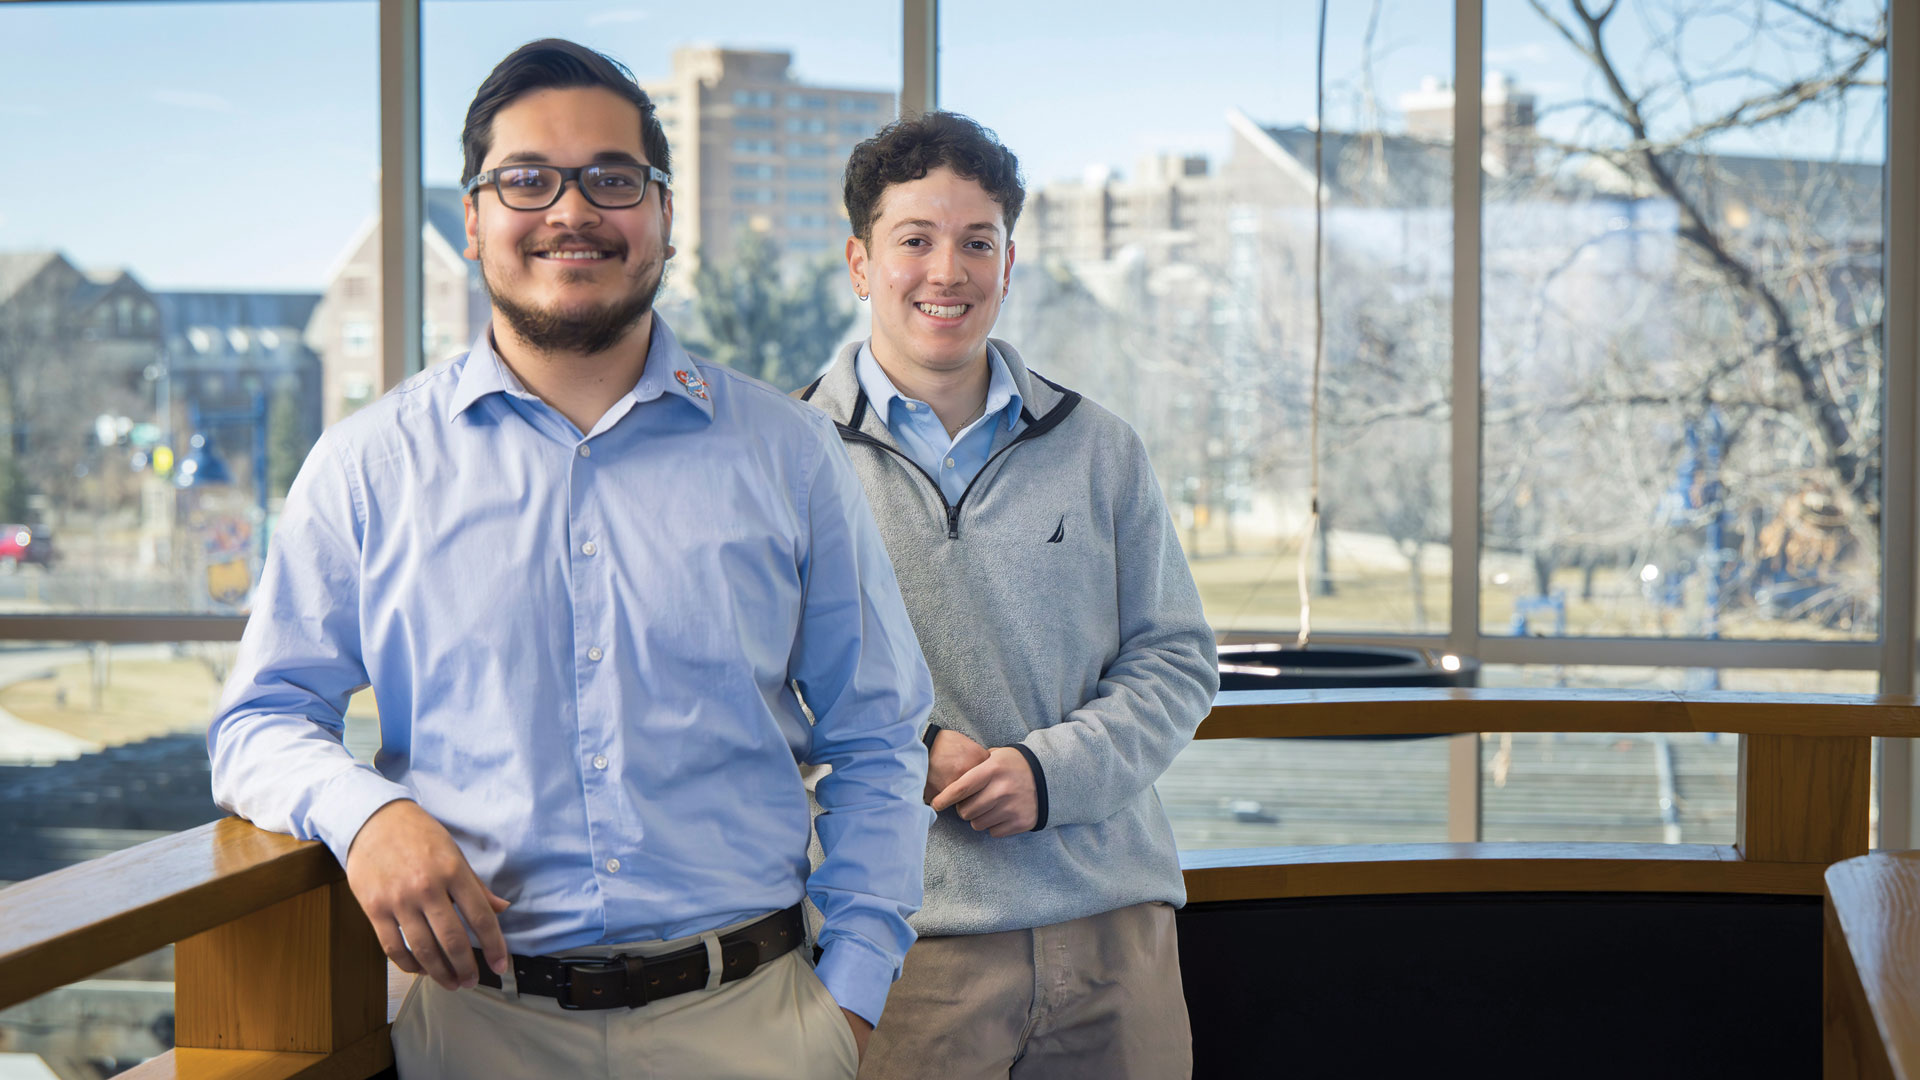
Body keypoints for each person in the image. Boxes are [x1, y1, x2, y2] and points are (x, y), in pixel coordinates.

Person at [207, 38, 932, 1080]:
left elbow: (877, 736)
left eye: (613, 179)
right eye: (527, 180)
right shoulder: (367, 467)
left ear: (665, 217)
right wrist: (370, 815)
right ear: (472, 220)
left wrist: (849, 1000)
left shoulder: (792, 453)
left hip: (758, 1028)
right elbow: (260, 722)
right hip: (470, 1032)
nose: (572, 211)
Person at [797, 111, 1220, 1079]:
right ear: (862, 264)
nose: (947, 271)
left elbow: (1177, 657)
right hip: (903, 946)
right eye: (915, 240)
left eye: (976, 242)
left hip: (1116, 942)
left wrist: (1047, 773)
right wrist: (909, 749)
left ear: (1009, 263)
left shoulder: (1102, 448)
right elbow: (758, 685)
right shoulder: (788, 457)